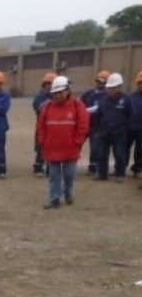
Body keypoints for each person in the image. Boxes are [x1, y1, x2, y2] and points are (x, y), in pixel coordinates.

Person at [37, 76, 89, 208]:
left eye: (60, 92)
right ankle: (54, 199)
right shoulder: (47, 107)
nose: (58, 95)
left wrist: (77, 142)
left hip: (70, 148)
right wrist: (43, 142)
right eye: (55, 93)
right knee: (54, 176)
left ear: (68, 90)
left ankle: (68, 193)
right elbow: (41, 127)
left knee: (69, 175)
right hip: (52, 148)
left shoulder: (78, 106)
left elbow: (83, 126)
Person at [95, 72, 133, 182]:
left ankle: (120, 174)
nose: (110, 90)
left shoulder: (126, 100)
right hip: (104, 132)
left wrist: (126, 129)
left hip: (119, 133)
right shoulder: (104, 100)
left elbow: (131, 115)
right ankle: (102, 174)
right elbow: (98, 115)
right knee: (101, 154)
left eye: (113, 87)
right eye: (109, 87)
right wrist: (97, 130)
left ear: (119, 86)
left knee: (120, 154)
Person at [81, 70, 110, 175]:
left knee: (95, 147)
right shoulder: (88, 93)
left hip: (97, 126)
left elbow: (101, 109)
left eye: (103, 82)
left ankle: (93, 167)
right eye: (98, 81)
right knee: (77, 143)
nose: (100, 84)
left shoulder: (107, 96)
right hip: (84, 124)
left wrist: (87, 110)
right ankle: (70, 163)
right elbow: (80, 106)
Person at [32, 72, 56, 176]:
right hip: (42, 127)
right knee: (40, 148)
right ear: (44, 85)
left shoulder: (58, 96)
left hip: (54, 127)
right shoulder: (39, 97)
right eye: (48, 84)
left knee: (52, 147)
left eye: (52, 84)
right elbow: (38, 107)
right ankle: (38, 167)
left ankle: (50, 168)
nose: (50, 86)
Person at [127, 71, 142, 182]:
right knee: (123, 149)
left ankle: (137, 169)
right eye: (139, 82)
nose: (141, 84)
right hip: (130, 127)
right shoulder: (131, 97)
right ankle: (120, 168)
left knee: (140, 150)